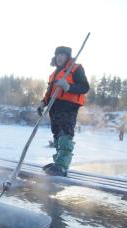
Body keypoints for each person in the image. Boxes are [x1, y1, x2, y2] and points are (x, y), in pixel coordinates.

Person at [37, 46, 89, 176]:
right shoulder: (54, 74)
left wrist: (68, 86)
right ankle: (57, 163)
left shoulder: (76, 69)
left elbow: (84, 87)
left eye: (63, 55)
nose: (60, 57)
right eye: (58, 55)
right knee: (57, 135)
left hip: (68, 107)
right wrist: (43, 103)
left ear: (68, 57)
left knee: (65, 134)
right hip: (54, 108)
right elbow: (50, 93)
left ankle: (62, 166)